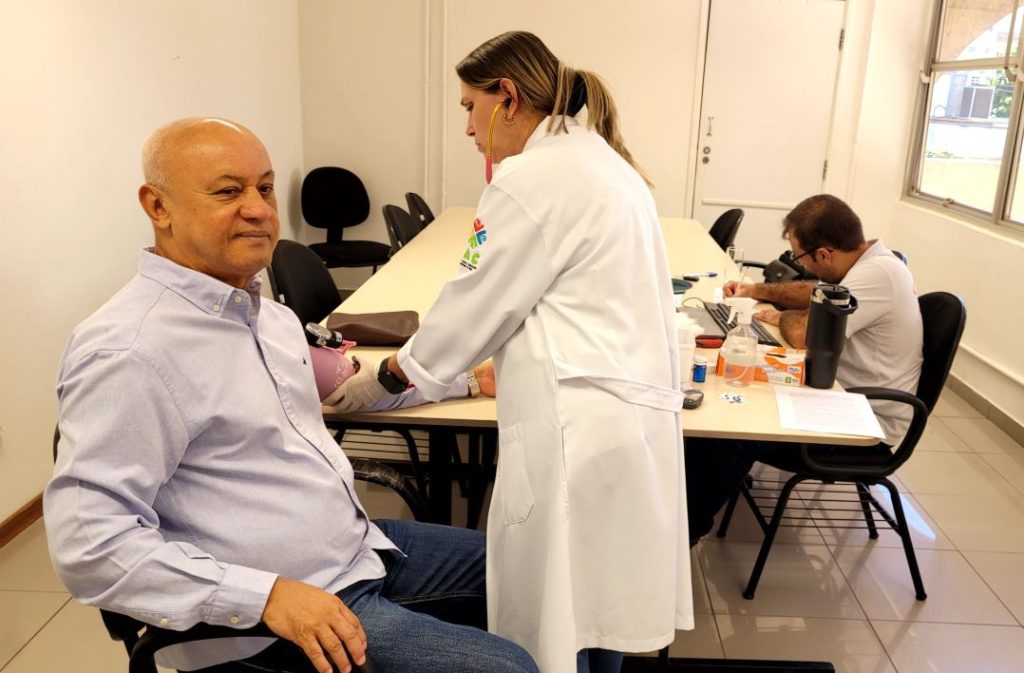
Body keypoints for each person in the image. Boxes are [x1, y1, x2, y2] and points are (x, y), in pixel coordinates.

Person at [44, 117, 537, 673]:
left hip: (354, 548)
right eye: (228, 191)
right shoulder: (129, 351)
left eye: (264, 186)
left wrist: (468, 381)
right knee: (510, 667)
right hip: (272, 614)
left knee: (544, 576)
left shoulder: (266, 316)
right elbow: (91, 546)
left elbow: (343, 389)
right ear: (158, 207)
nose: (258, 208)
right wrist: (266, 597)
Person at [332, 31, 692, 673]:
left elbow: (475, 301)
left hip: (576, 431)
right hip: (623, 421)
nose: (468, 128)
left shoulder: (534, 178)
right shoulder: (603, 163)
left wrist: (387, 375)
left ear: (508, 97)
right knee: (597, 607)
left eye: (469, 106)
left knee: (559, 619)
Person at [685, 194, 924, 542]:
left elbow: (803, 336)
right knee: (730, 406)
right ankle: (685, 503)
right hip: (836, 394)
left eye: (800, 256)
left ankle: (686, 530)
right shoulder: (866, 263)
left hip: (864, 422)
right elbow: (813, 291)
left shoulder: (878, 276)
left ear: (824, 254)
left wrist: (779, 316)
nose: (800, 264)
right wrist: (756, 290)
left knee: (733, 427)